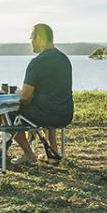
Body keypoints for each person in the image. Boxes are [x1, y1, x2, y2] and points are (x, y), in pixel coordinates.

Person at [10, 23, 74, 165]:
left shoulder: (37, 62)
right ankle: (53, 153)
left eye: (32, 38)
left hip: (45, 115)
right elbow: (55, 92)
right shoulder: (64, 60)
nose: (31, 42)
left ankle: (29, 155)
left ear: (39, 37)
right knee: (47, 104)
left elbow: (26, 98)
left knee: (8, 114)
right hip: (64, 114)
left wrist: (20, 94)